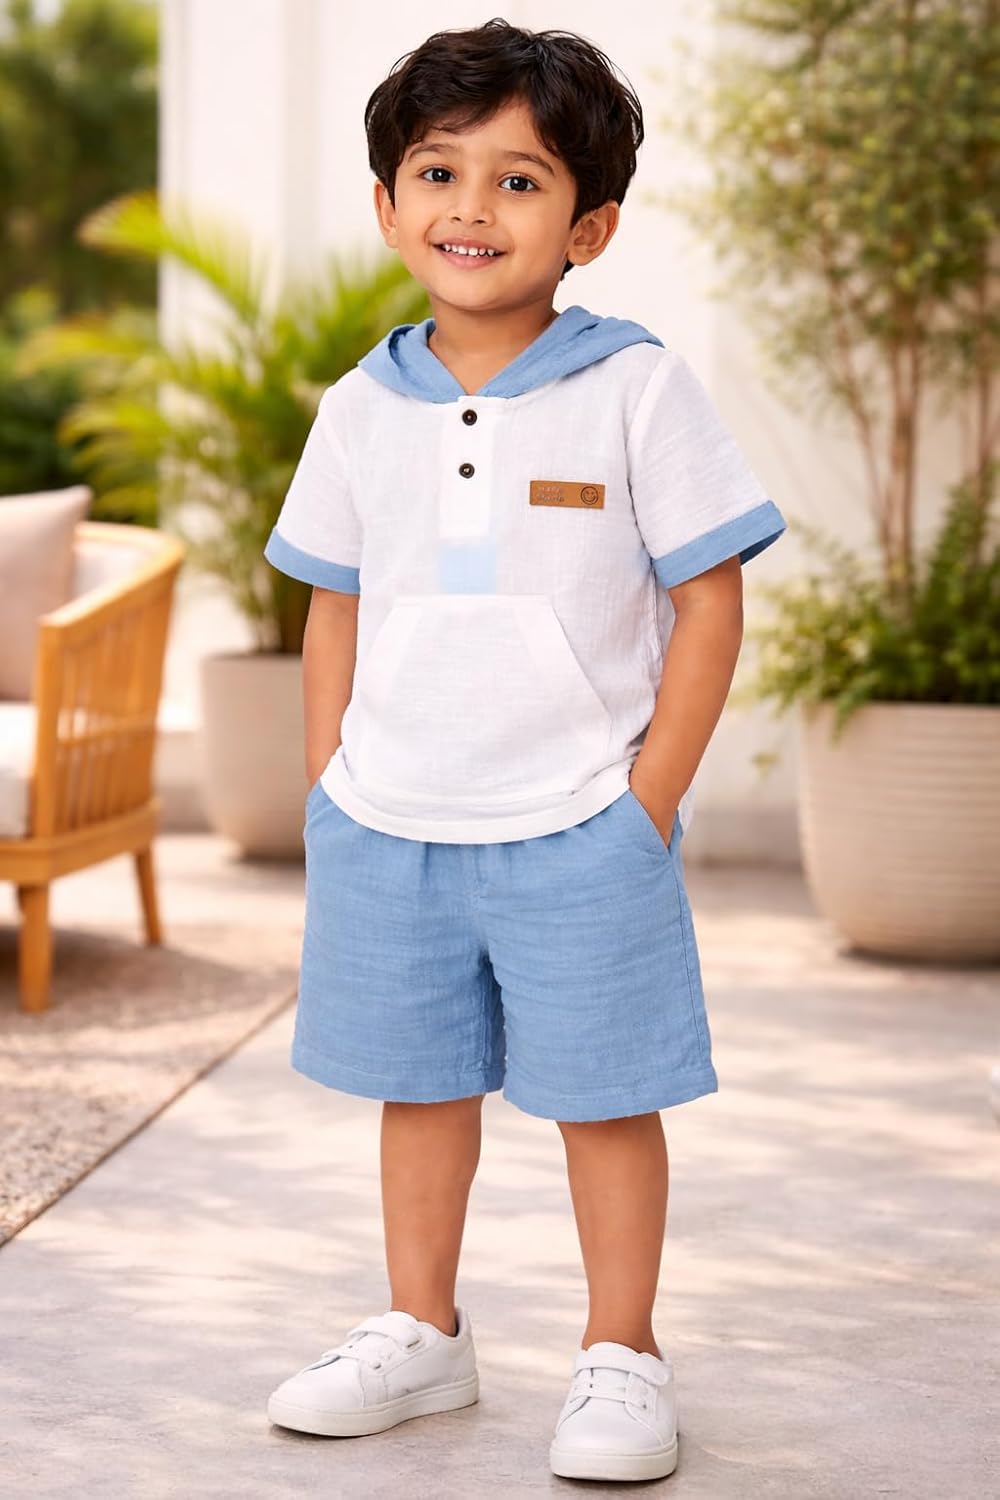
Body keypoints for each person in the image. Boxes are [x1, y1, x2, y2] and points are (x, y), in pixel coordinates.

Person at [262, 17, 786, 1485]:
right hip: (391, 815)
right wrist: (327, 784)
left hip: (580, 821)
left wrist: (648, 800)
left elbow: (710, 598)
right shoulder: (358, 408)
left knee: (606, 1098)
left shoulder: (637, 387)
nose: (472, 209)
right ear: (388, 205)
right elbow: (331, 605)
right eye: (439, 172)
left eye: (520, 180)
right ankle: (420, 1331)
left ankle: (622, 1351)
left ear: (589, 226)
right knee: (415, 1084)